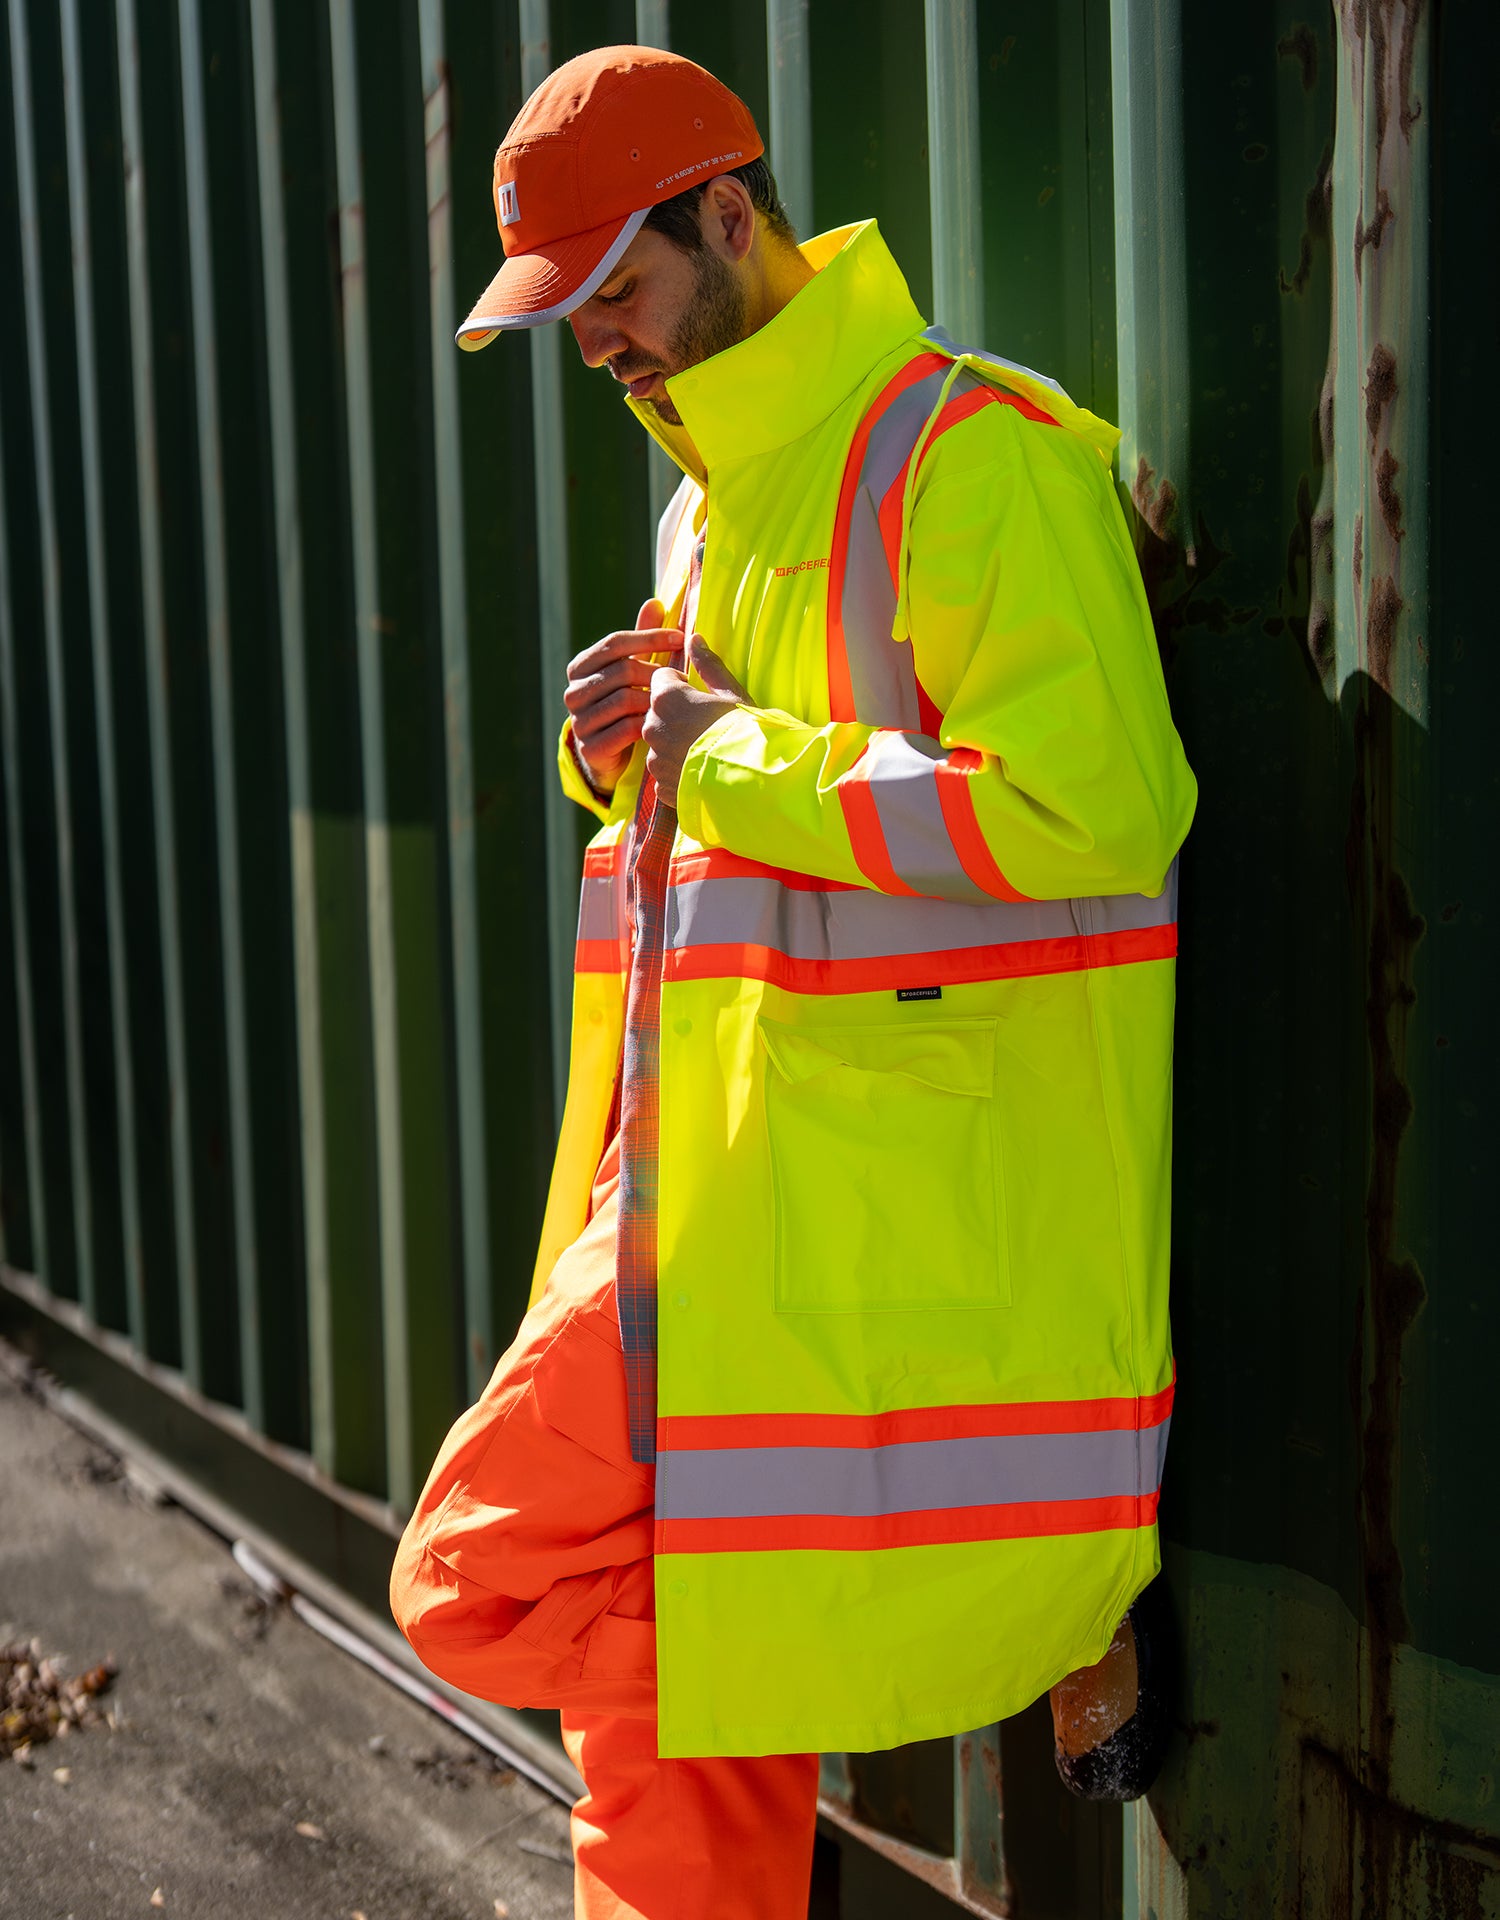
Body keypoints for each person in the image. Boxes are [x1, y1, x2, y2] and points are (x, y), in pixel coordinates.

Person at [391, 44, 1196, 1919]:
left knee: (477, 1580)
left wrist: (722, 750)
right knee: (641, 1729)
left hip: (890, 1233)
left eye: (616, 292)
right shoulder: (707, 504)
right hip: (713, 1210)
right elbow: (744, 824)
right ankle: (924, 1636)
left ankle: (1044, 1603)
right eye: (567, 318)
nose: (600, 348)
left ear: (731, 215)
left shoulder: (968, 454)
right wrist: (631, 758)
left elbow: (1096, 804)